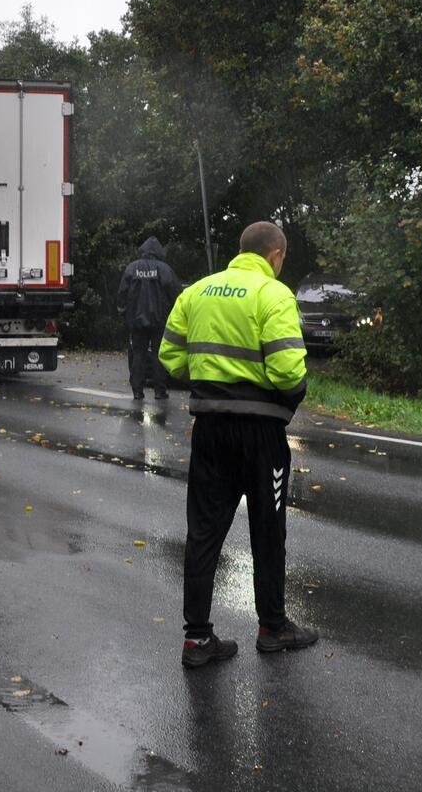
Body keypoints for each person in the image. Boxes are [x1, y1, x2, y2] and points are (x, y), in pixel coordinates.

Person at [160, 221, 317, 668]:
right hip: (260, 435)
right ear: (275, 256)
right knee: (268, 531)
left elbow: (169, 358)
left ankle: (197, 639)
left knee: (203, 531)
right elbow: (289, 372)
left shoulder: (198, 292)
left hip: (209, 429)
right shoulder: (274, 295)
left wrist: (213, 383)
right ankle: (272, 627)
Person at [117, 236, 182, 400]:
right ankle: (160, 391)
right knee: (158, 355)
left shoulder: (132, 268)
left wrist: (125, 315)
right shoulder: (165, 269)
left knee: (138, 354)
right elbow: (177, 294)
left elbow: (122, 294)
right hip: (160, 320)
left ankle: (137, 391)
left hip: (137, 322)